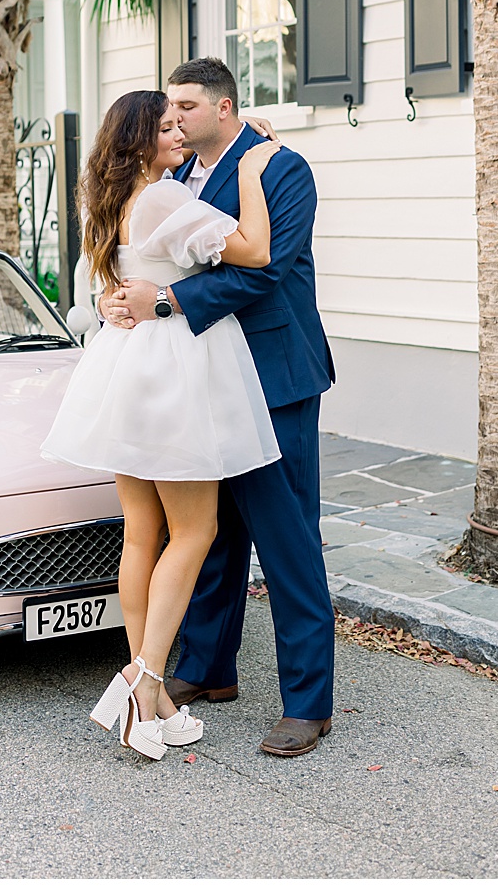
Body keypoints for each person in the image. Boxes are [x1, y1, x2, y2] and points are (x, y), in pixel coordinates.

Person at [103, 56, 337, 759]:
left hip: (273, 379)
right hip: (201, 384)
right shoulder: (171, 178)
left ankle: (308, 702)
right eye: (167, 108)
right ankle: (207, 667)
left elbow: (264, 272)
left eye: (186, 107)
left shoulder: (279, 168)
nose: (172, 117)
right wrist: (117, 301)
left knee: (287, 541)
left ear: (225, 108)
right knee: (210, 534)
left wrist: (167, 302)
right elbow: (147, 257)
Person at [41, 88, 282, 760]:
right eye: (167, 126)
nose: (178, 133)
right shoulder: (164, 198)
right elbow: (255, 250)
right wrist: (251, 173)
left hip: (128, 370)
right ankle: (143, 678)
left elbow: (120, 277)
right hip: (174, 370)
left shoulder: (115, 200)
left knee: (142, 532)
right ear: (140, 140)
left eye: (182, 122)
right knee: (196, 529)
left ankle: (154, 696)